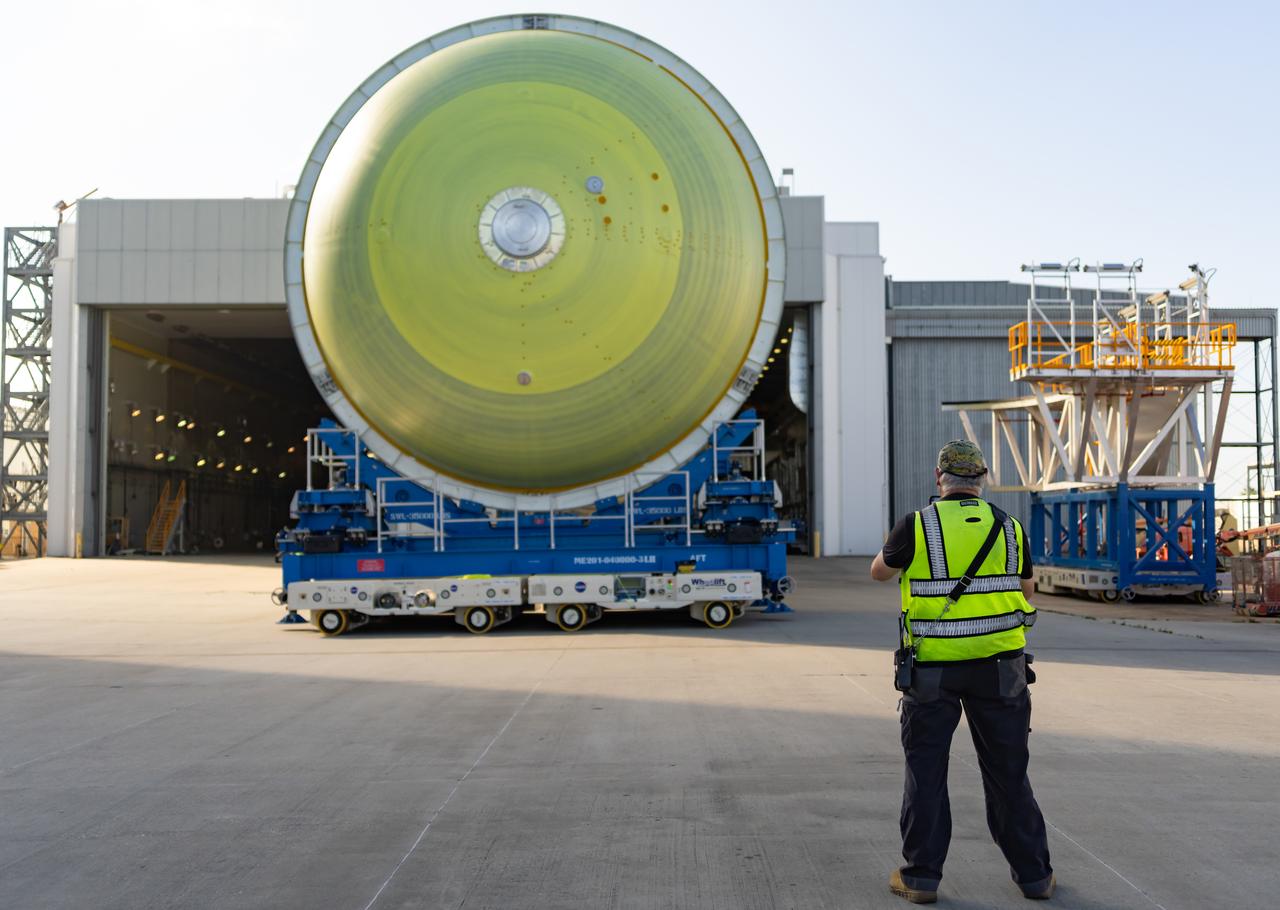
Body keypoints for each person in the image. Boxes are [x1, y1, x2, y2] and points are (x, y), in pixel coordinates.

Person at [870, 440, 1054, 904]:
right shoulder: (1009, 527)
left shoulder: (917, 525)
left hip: (933, 670)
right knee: (1009, 772)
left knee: (926, 772)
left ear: (940, 479)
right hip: (1001, 669)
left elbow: (879, 573)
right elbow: (1028, 591)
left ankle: (920, 879)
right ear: (982, 479)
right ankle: (1034, 877)